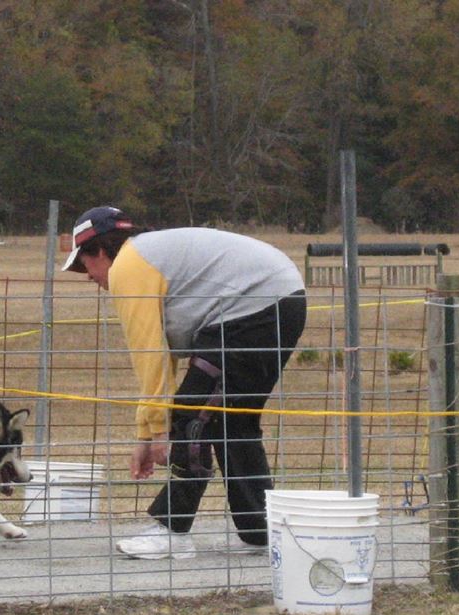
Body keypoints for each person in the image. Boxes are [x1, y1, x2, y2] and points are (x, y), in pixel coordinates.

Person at [62, 206, 306, 559]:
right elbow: (162, 363)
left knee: (192, 417)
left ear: (100, 250)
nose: (87, 276)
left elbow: (150, 356)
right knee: (230, 421)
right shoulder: (151, 254)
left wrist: (161, 429)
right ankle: (259, 530)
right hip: (278, 303)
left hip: (253, 310)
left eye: (84, 264)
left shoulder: (129, 266)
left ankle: (171, 529)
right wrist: (147, 435)